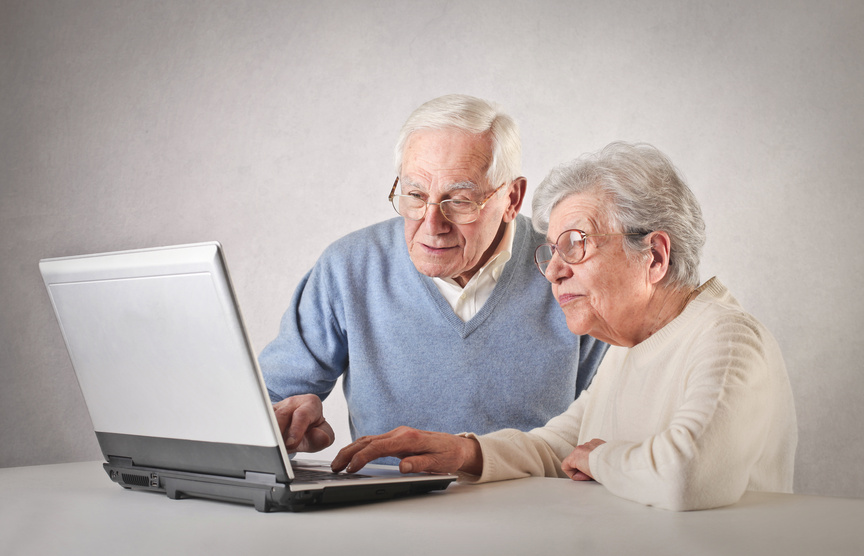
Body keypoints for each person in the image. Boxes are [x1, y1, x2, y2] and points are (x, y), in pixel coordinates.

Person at [331, 141, 798, 511]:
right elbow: (558, 446)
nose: (553, 270)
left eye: (575, 244)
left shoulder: (727, 337)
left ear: (654, 256)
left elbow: (686, 476)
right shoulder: (630, 349)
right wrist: (463, 453)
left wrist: (599, 458)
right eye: (551, 250)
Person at [258, 95, 608, 457]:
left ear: (512, 199)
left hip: (529, 503)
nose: (431, 225)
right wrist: (288, 422)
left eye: (458, 200)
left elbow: (614, 429)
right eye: (414, 194)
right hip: (385, 507)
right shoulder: (348, 268)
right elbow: (263, 406)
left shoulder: (569, 270)